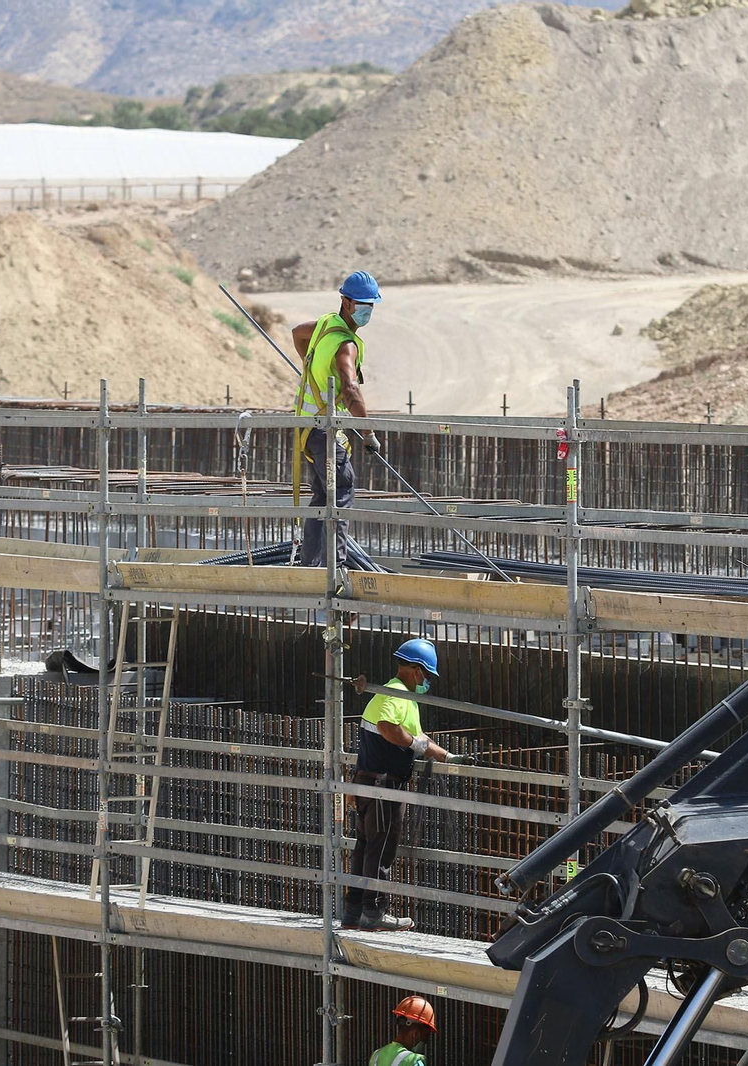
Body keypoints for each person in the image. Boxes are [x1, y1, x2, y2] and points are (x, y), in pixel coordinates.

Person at [344, 638, 475, 931]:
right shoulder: (398, 694)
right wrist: (413, 743)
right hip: (383, 787)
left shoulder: (395, 695)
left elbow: (418, 737)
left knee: (365, 847)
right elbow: (389, 728)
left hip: (369, 783)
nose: (427, 681)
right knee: (380, 849)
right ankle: (374, 912)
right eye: (427, 675)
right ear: (416, 670)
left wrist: (447, 756)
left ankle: (353, 911)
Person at [290, 269, 382, 569]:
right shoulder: (346, 343)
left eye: (371, 305)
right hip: (324, 430)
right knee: (341, 491)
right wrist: (368, 434)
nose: (367, 310)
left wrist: (312, 366)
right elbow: (351, 388)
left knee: (322, 495)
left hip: (308, 427)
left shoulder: (326, 325)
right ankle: (336, 567)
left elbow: (298, 334)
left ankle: (312, 564)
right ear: (346, 302)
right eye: (362, 304)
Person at [370, 995, 438, 1066]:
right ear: (415, 1033)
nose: (425, 1042)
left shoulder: (376, 1055)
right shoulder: (415, 1060)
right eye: (425, 1037)